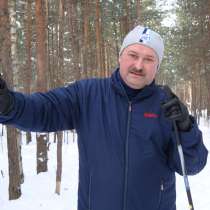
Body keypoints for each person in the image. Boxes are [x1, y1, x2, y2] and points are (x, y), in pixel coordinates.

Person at [0, 25, 208, 210]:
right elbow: (44, 110)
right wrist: (8, 104)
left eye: (148, 59)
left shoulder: (167, 105)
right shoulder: (88, 94)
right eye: (133, 55)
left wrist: (186, 127)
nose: (138, 65)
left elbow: (192, 165)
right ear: (120, 57)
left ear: (157, 66)